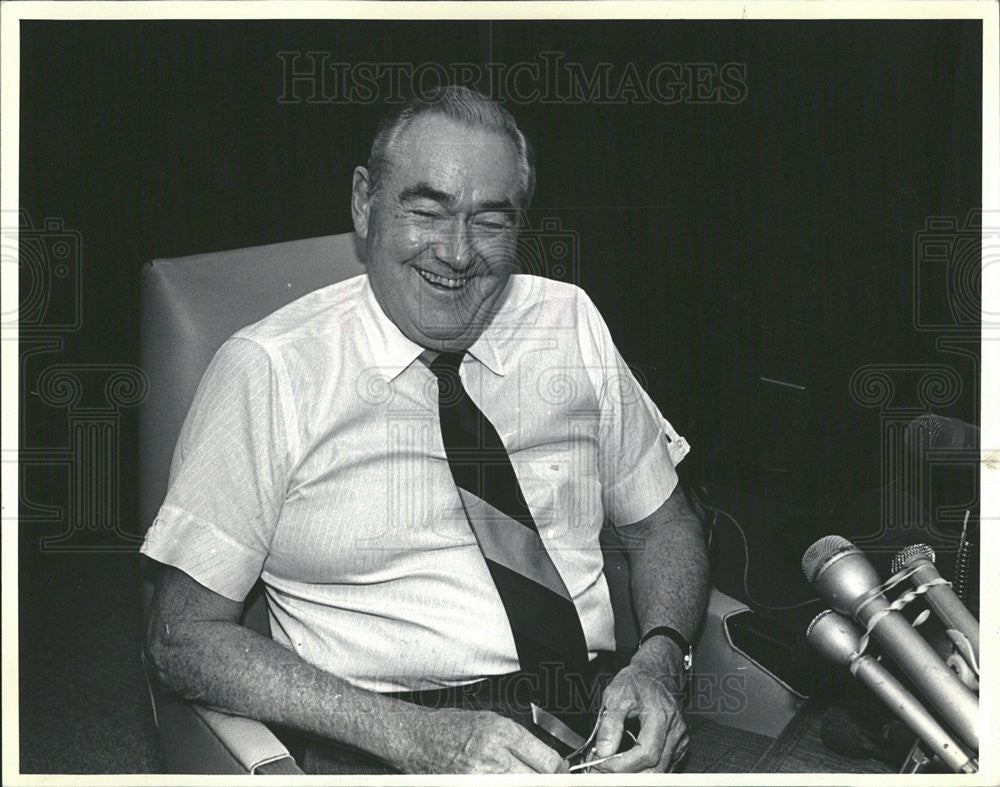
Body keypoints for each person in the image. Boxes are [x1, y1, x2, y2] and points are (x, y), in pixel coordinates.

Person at [142, 85, 709, 774]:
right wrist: (411, 737)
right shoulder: (271, 370)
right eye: (426, 210)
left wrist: (660, 658)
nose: (458, 251)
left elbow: (664, 526)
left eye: (491, 221)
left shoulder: (569, 321)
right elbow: (182, 636)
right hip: (386, 735)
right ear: (364, 202)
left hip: (596, 722)